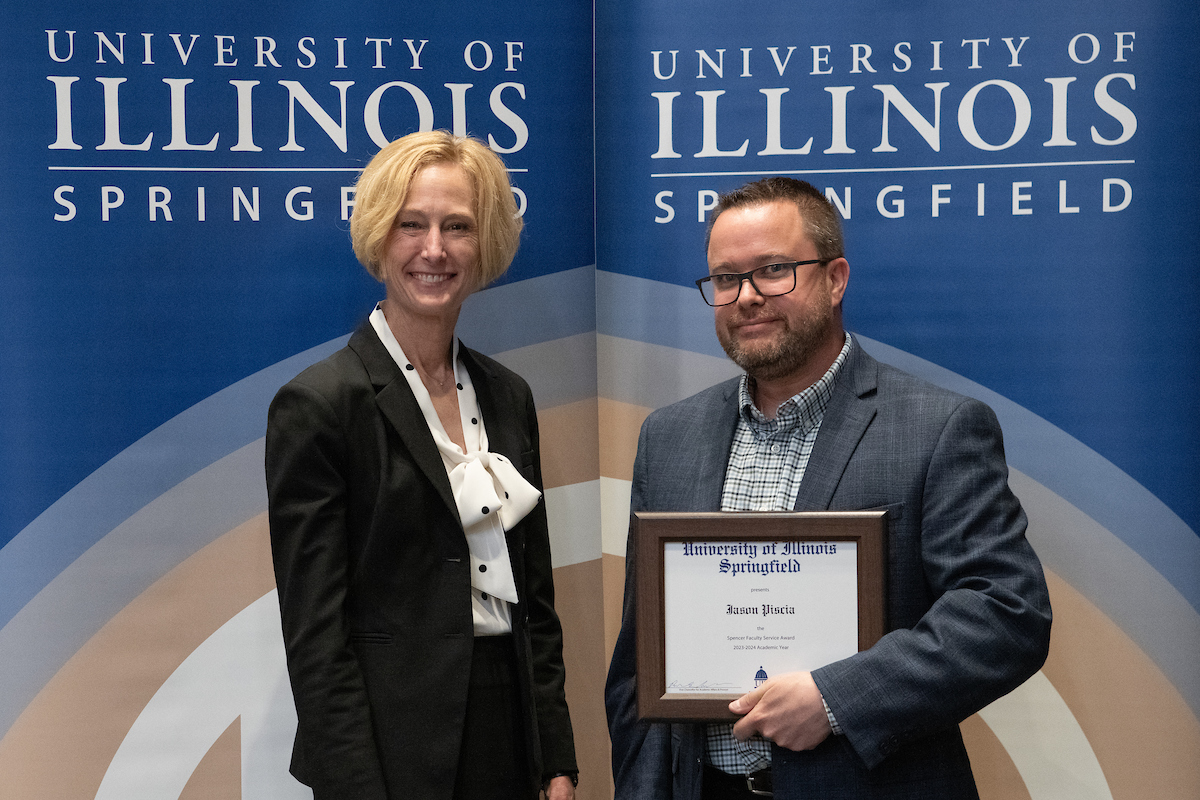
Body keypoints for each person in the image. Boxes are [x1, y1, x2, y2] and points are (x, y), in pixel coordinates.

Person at [604, 177, 1052, 799]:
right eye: (726, 279)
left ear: (836, 278)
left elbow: (1006, 613)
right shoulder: (668, 437)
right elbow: (639, 658)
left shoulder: (939, 428)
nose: (747, 297)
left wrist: (834, 698)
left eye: (774, 270)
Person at [266, 131, 577, 800]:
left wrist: (556, 759)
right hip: (386, 748)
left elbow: (537, 601)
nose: (434, 249)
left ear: (484, 241)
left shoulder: (508, 395)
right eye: (412, 224)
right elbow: (317, 638)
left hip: (507, 733)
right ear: (380, 236)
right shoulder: (319, 405)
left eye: (457, 226)